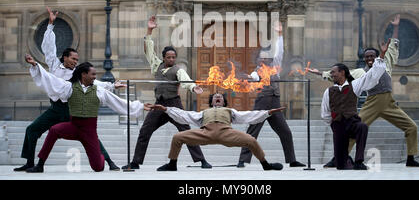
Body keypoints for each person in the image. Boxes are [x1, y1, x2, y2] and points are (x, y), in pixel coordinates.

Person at [14, 7, 121, 172]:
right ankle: (30, 162)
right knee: (32, 130)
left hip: (71, 109)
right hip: (56, 108)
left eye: (77, 60)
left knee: (90, 136)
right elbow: (49, 48)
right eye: (73, 59)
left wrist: (112, 85)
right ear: (65, 57)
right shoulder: (54, 65)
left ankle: (109, 162)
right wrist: (50, 24)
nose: (75, 62)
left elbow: (95, 83)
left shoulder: (77, 73)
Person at [312, 14, 419, 168]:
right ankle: (338, 158)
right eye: (366, 57)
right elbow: (341, 75)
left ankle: (411, 158)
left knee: (412, 127)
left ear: (377, 56)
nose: (369, 58)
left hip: (389, 103)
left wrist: (396, 27)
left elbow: (393, 45)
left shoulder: (386, 64)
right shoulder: (360, 72)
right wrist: (320, 73)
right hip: (373, 103)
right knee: (355, 130)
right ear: (364, 59)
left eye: (372, 56)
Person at [23, 56, 151, 173]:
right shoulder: (69, 87)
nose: (95, 77)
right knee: (54, 130)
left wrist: (139, 106)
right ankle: (40, 164)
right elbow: (51, 80)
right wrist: (35, 65)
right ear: (83, 75)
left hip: (89, 131)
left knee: (98, 167)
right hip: (73, 126)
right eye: (93, 74)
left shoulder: (99, 91)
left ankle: (101, 158)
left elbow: (118, 102)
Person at [122, 16, 212, 170]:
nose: (171, 59)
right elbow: (148, 50)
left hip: (174, 104)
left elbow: (185, 80)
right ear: (163, 58)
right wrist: (149, 30)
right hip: (159, 105)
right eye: (169, 57)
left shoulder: (178, 70)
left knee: (186, 131)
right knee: (145, 130)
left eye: (173, 57)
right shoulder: (156, 65)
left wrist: (192, 87)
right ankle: (136, 162)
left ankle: (202, 161)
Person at [151, 93, 285, 171]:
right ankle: (172, 164)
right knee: (177, 137)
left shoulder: (230, 111)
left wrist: (267, 113)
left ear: (224, 101)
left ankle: (265, 164)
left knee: (251, 140)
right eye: (215, 97)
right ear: (212, 101)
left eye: (220, 96)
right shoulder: (204, 112)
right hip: (205, 134)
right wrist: (166, 109)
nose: (218, 97)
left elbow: (248, 116)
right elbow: (185, 115)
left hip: (226, 134)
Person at [237, 22, 305, 168]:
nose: (263, 60)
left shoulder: (275, 68)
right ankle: (242, 160)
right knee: (252, 132)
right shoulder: (257, 71)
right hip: (262, 104)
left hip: (275, 104)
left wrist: (280, 35)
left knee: (285, 132)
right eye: (261, 58)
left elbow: (279, 52)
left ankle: (292, 160)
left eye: (266, 57)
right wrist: (246, 78)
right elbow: (253, 78)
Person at [321, 41, 388, 170]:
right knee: (341, 166)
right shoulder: (328, 92)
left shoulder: (355, 85)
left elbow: (371, 76)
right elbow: (325, 113)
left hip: (352, 122)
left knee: (362, 127)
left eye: (334, 72)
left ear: (342, 73)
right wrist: (334, 125)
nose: (332, 74)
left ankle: (359, 161)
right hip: (338, 125)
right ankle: (346, 159)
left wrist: (382, 55)